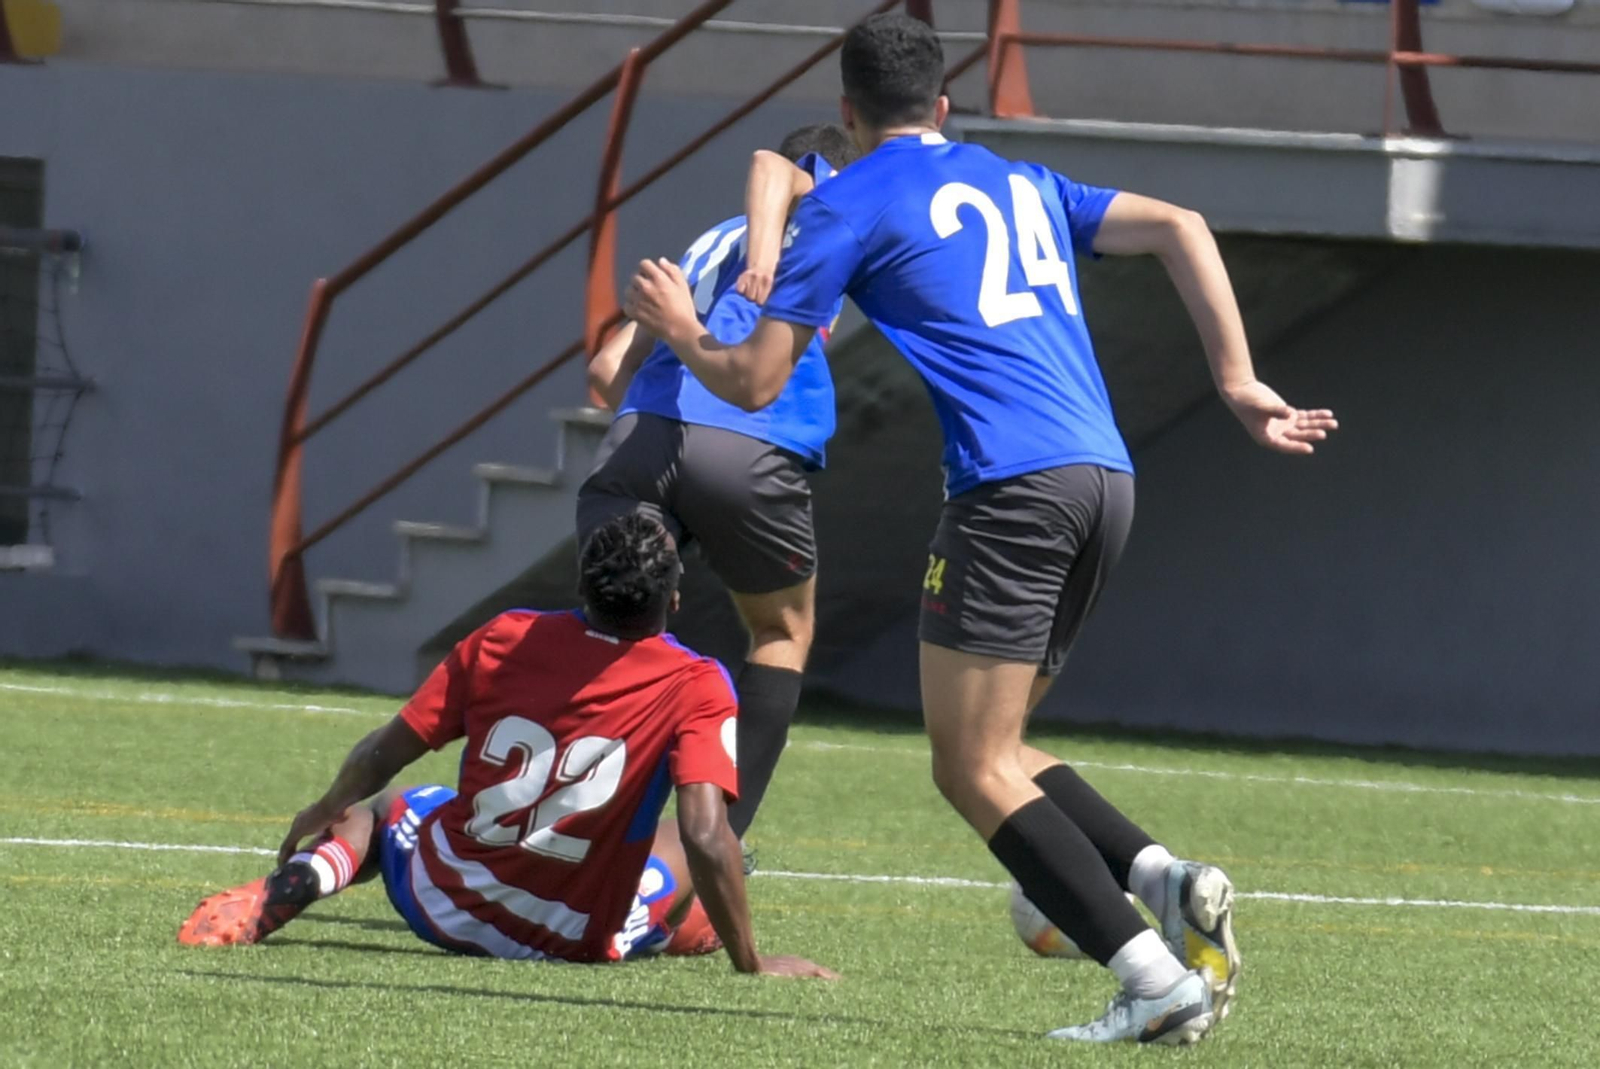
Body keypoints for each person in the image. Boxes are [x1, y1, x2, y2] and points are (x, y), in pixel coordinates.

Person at [624, 12, 1338, 1044]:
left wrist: (681, 329)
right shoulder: (1022, 181)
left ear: (845, 113)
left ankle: (1151, 978)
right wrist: (1235, 380)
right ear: (946, 106)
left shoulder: (851, 201)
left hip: (1009, 491)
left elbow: (753, 378)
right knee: (998, 744)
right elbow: (1182, 221)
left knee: (967, 766)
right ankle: (1160, 879)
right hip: (1103, 480)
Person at [178, 513, 836, 978]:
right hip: (573, 936)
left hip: (445, 898)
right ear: (674, 597)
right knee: (696, 847)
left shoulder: (504, 636)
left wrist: (326, 804)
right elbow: (704, 831)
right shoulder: (697, 681)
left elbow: (387, 748)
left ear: (582, 586)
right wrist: (751, 960)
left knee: (381, 810)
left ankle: (283, 892)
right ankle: (679, 927)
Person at [580, 123, 859, 845]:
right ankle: (713, 849)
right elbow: (774, 167)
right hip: (748, 437)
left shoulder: (705, 244)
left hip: (636, 440)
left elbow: (606, 378)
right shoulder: (826, 200)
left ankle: (570, 832)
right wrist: (766, 262)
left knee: (616, 634)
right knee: (781, 630)